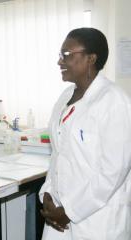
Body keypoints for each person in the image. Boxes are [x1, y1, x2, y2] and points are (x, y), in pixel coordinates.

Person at [39, 28, 131, 239]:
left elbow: (113, 172)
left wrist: (70, 211)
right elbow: (58, 155)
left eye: (66, 55)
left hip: (97, 221)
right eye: (60, 55)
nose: (59, 62)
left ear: (91, 58)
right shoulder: (64, 97)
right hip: (58, 216)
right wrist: (47, 194)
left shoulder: (115, 102)